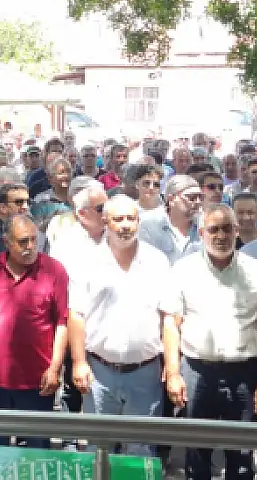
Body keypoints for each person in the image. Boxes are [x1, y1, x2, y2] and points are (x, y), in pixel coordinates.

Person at [162, 203, 257, 479]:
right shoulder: (183, 270)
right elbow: (171, 324)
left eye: (227, 229)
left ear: (236, 231)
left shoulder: (256, 270)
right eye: (214, 230)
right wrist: (173, 373)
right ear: (202, 233)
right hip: (197, 371)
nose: (221, 236)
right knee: (196, 452)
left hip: (244, 372)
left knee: (242, 454)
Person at [69, 194, 172, 457]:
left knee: (141, 450)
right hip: (99, 371)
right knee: (98, 449)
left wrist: (172, 368)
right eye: (118, 219)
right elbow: (76, 315)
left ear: (138, 221)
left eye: (131, 218)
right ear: (105, 221)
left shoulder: (157, 261)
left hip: (146, 372)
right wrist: (79, 362)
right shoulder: (86, 261)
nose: (125, 225)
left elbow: (169, 317)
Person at [0, 214, 69, 448]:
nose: (30, 246)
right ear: (6, 242)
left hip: (38, 381)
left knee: (37, 453)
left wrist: (55, 368)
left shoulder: (54, 270)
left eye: (34, 239)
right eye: (23, 241)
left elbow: (61, 323)